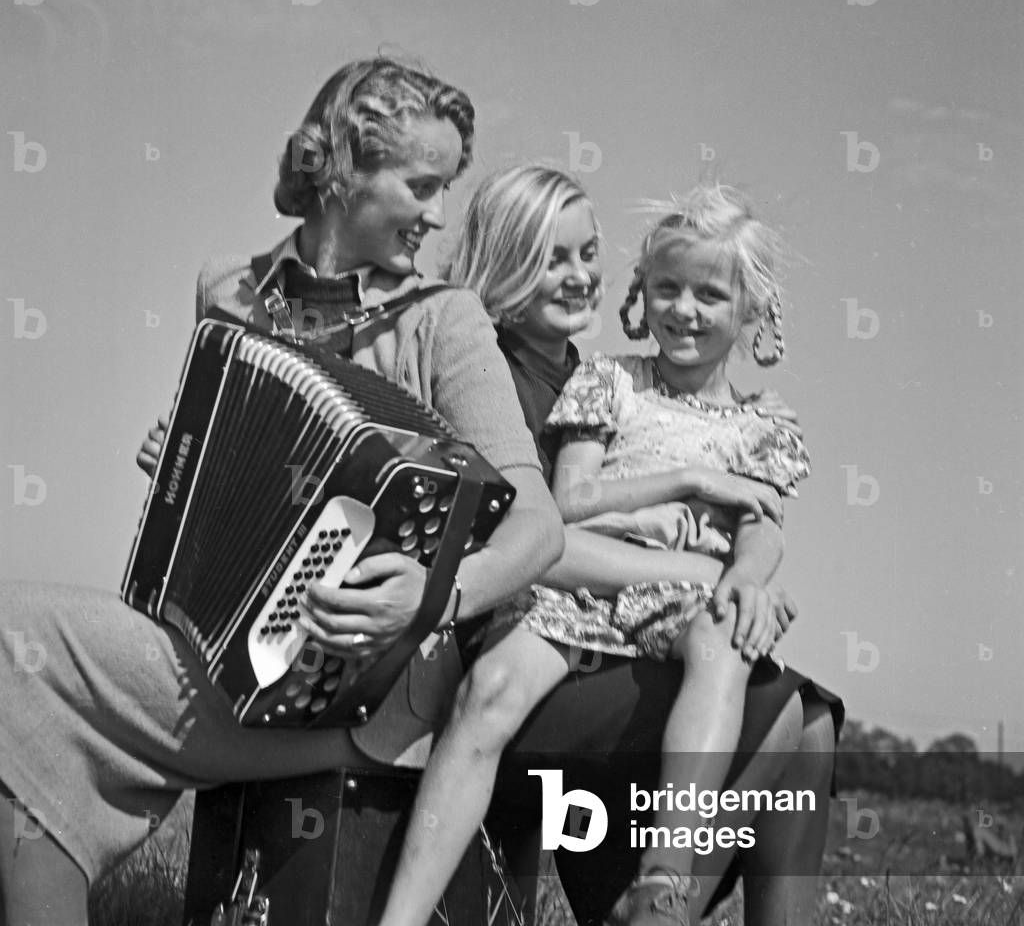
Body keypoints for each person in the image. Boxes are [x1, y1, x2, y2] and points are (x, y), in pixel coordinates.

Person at [0, 58, 564, 926]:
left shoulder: (445, 319)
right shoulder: (227, 288)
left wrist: (434, 597)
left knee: (12, 640)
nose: (440, 215)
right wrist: (185, 459)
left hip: (372, 683)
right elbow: (225, 491)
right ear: (343, 170)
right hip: (224, 644)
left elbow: (539, 530)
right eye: (422, 185)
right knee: (31, 763)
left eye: (446, 188)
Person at [379, 165, 842, 926]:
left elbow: (763, 527)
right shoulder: (538, 376)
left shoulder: (753, 423)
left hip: (665, 619)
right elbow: (554, 526)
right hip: (543, 614)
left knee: (801, 709)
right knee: (794, 715)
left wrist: (746, 579)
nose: (579, 276)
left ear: (753, 308)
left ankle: (662, 886)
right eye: (553, 258)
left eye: (587, 254)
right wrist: (693, 515)